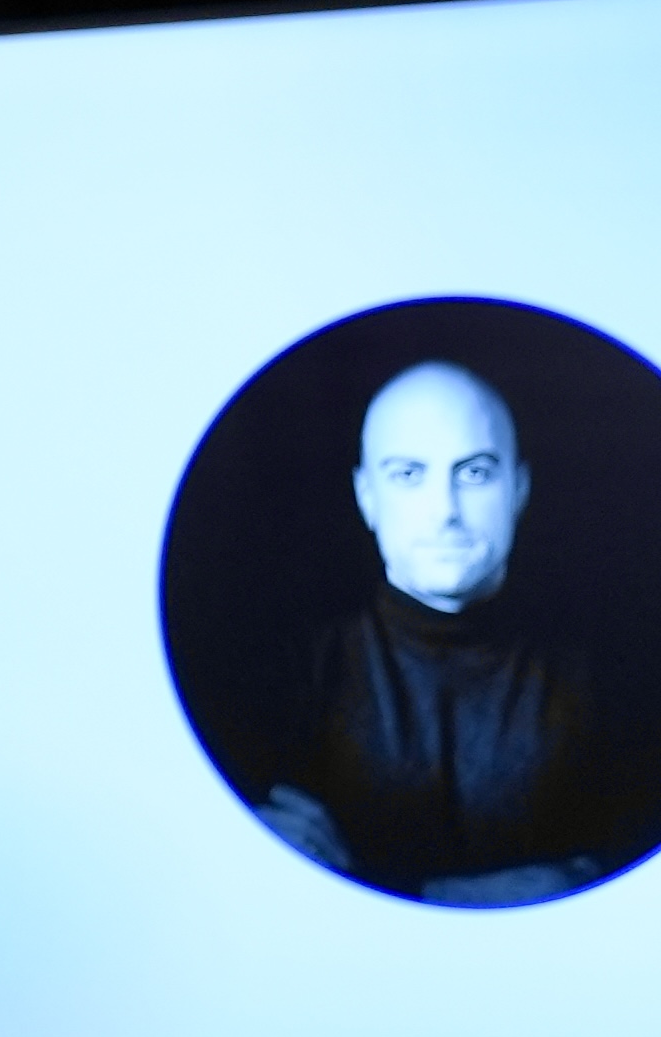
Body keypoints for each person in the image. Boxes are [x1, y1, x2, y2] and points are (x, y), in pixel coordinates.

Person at [263, 359, 637, 904]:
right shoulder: (295, 671)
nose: (446, 511)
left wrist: (368, 878)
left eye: (476, 473)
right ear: (368, 497)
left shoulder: (613, 672)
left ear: (520, 489)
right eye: (408, 475)